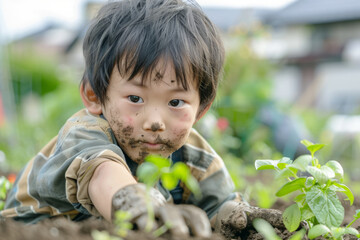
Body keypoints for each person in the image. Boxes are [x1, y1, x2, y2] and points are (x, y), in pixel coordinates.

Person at [0, 0, 279, 238]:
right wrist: (136, 201)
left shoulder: (195, 154)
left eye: (175, 102)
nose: (155, 122)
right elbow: (103, 175)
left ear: (201, 109)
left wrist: (239, 217)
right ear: (94, 96)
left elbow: (219, 203)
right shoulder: (85, 133)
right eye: (135, 99)